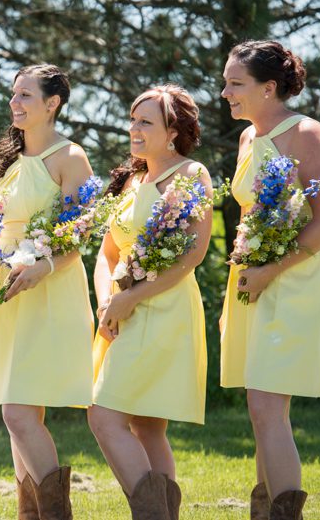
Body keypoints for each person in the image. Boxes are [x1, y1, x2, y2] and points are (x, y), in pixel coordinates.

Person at [219, 40, 320, 520]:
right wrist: (246, 270)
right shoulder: (247, 139)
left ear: (269, 87)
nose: (225, 93)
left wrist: (270, 270)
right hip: (256, 280)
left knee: (264, 405)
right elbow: (252, 217)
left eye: (235, 84)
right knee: (263, 407)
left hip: (297, 279)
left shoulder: (306, 132)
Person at [0, 64, 95, 519]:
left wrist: (44, 266)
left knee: (17, 414)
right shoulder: (13, 160)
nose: (14, 103)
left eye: (25, 95)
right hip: (7, 295)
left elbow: (80, 232)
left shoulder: (70, 157)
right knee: (20, 414)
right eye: (14, 94)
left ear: (52, 103)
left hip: (47, 293)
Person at [88, 85, 211, 519]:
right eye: (132, 120)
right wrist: (107, 301)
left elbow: (193, 254)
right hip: (120, 311)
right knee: (145, 426)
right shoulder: (131, 181)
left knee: (104, 417)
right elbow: (107, 253)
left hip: (163, 310)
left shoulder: (191, 175)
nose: (134, 129)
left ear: (173, 131)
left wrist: (132, 298)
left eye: (146, 122)